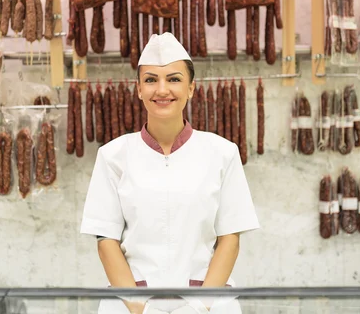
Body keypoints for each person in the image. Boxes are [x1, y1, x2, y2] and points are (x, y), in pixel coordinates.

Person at [80, 33, 260, 314]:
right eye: (151, 80)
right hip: (130, 305)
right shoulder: (113, 156)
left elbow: (230, 239)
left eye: (174, 79)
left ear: (190, 88)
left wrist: (200, 306)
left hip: (209, 304)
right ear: (138, 89)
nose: (162, 89)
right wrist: (140, 308)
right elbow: (106, 242)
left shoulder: (223, 153)